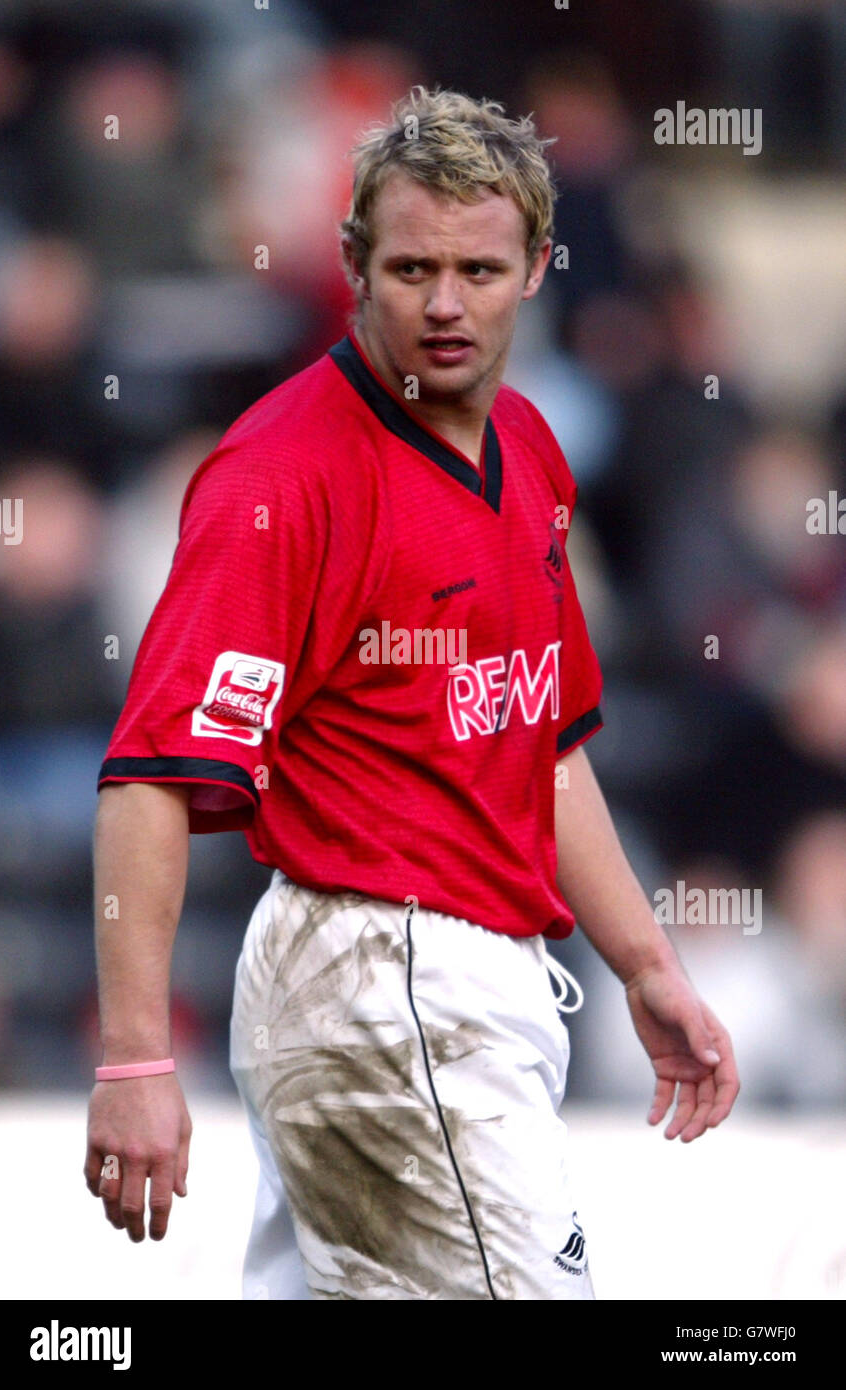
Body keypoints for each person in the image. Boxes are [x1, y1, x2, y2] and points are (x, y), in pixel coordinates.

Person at [84, 86, 739, 1301]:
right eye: (411, 267)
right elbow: (149, 776)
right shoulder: (279, 477)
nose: (445, 304)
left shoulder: (532, 450)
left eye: (479, 270)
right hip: (381, 978)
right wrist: (132, 1058)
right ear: (349, 265)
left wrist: (648, 968)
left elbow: (542, 740)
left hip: (462, 985)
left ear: (540, 266)